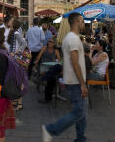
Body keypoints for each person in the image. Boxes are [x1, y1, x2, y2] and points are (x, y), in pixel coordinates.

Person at [42, 12, 88, 142]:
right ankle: (51, 129)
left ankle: (80, 139)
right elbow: (75, 63)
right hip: (75, 82)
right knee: (79, 112)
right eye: (82, 21)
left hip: (74, 81)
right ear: (76, 22)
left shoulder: (72, 38)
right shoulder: (73, 39)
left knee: (82, 114)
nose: (84, 23)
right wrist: (82, 84)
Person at [7, 19, 28, 111]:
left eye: (11, 21)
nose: (10, 21)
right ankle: (16, 101)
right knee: (15, 80)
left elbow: (24, 43)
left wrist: (17, 52)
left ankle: (19, 103)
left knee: (18, 81)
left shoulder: (16, 33)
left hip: (16, 60)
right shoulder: (13, 32)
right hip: (14, 60)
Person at [36, 38, 61, 104]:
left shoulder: (56, 51)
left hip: (52, 67)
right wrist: (36, 63)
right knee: (51, 77)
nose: (50, 43)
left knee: (51, 77)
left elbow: (59, 60)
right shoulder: (44, 48)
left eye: (52, 42)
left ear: (54, 44)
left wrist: (56, 60)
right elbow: (38, 57)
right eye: (49, 41)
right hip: (44, 66)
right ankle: (49, 95)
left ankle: (48, 96)